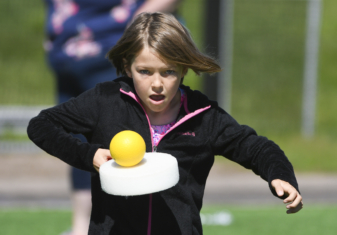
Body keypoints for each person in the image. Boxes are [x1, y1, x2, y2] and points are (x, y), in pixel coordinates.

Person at [29, 12, 303, 235]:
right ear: (127, 66)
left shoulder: (203, 114)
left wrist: (279, 174)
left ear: (183, 69)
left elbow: (254, 147)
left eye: (168, 72)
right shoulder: (106, 101)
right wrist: (89, 156)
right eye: (145, 72)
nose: (157, 84)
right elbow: (41, 126)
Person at [43, 1, 181, 234]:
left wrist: (139, 22)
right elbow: (41, 128)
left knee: (125, 140)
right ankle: (80, 225)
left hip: (112, 50)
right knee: (81, 142)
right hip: (67, 54)